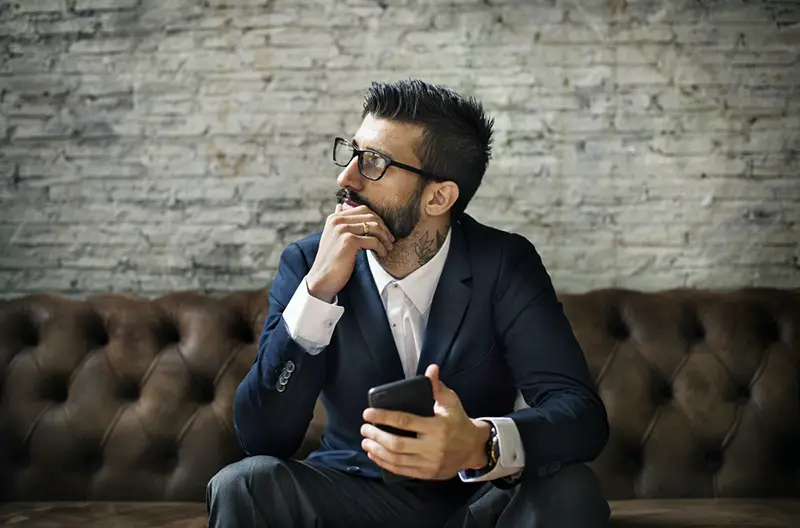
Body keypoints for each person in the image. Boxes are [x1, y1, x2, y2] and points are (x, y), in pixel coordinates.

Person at [207, 79, 611, 527]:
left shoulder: (503, 263)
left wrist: (482, 443)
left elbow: (580, 414)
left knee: (572, 488)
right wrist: (317, 291)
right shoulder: (306, 262)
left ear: (439, 196)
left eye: (374, 162)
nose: (347, 177)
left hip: (473, 504)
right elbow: (262, 437)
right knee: (243, 482)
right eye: (353, 153)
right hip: (349, 498)